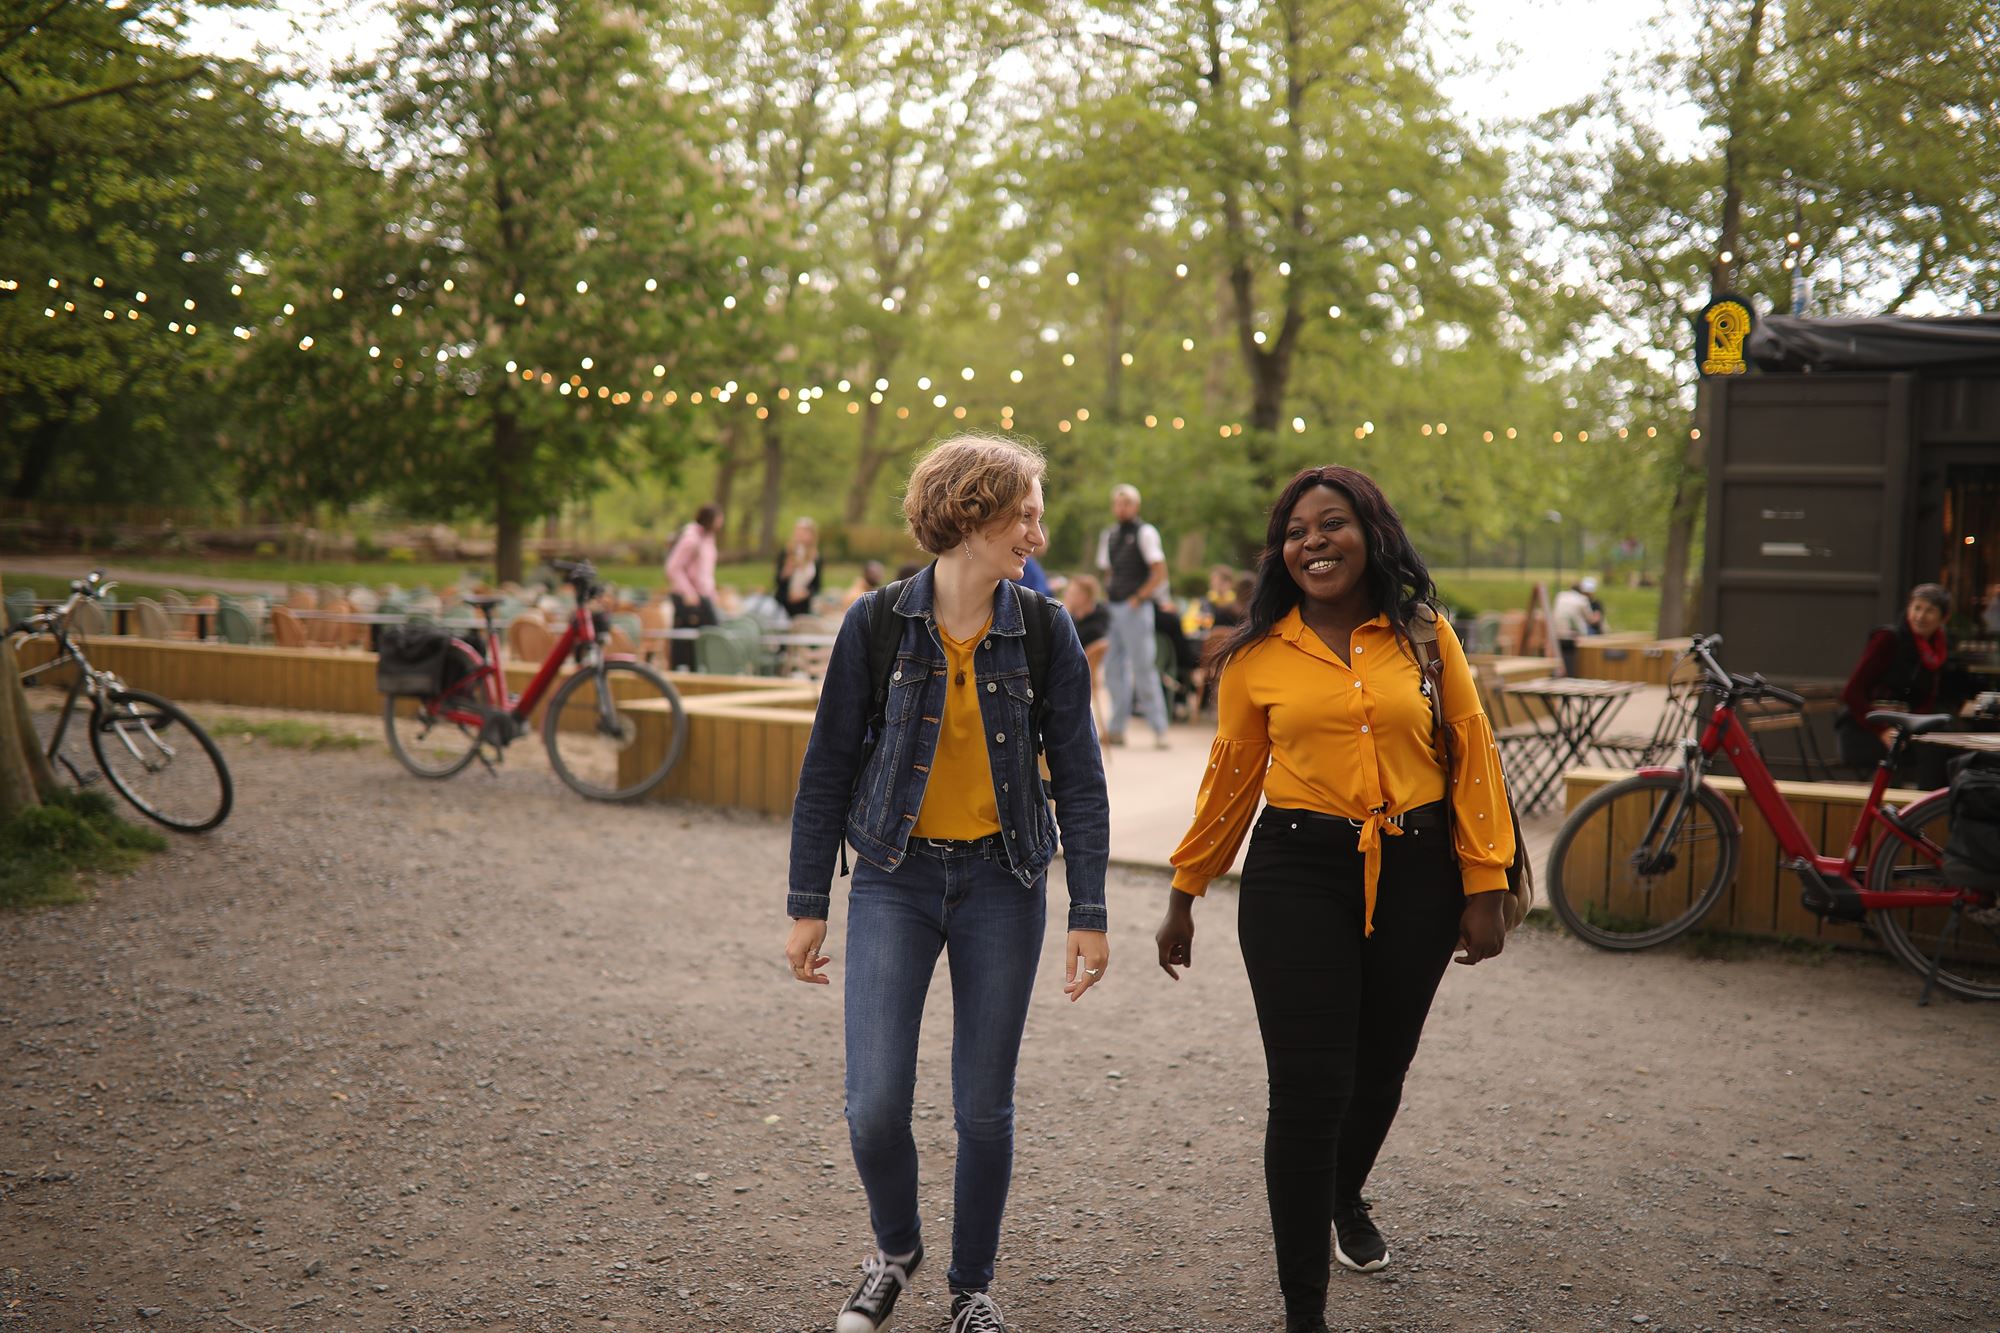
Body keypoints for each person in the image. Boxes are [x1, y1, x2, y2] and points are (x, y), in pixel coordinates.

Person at [1154, 465, 1515, 1333]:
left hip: (1420, 869)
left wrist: (1486, 882)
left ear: (1371, 532)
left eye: (1332, 523)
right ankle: (1303, 1313)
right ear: (1281, 554)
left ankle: (1342, 1191)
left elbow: (1471, 750)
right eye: (1296, 530)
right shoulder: (1257, 656)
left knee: (1380, 1071)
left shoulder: (1425, 634)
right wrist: (1186, 887)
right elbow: (1232, 778)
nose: (1313, 541)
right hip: (1296, 873)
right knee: (1309, 1084)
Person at [785, 434, 1111, 1333]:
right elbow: (826, 770)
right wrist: (808, 901)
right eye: (1026, 513)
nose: (1038, 532)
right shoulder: (876, 622)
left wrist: (1090, 910)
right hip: (893, 877)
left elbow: (1080, 778)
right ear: (971, 511)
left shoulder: (1044, 632)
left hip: (1005, 883)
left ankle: (971, 1287)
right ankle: (894, 1252)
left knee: (983, 1107)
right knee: (875, 1102)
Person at [1837, 582, 1954, 788]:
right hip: (1866, 730)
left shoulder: (1935, 651)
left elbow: (1927, 699)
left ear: (1943, 618)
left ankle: (1927, 810)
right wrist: (1881, 730)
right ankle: (1919, 809)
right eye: (1917, 608)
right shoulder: (1888, 639)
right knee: (1930, 753)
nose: (1920, 616)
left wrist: (1911, 727)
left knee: (1943, 747)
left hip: (1902, 728)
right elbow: (1852, 693)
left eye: (1930, 611)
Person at [1095, 483, 1172, 748]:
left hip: (1135, 608)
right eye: (1117, 502)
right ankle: (1116, 728)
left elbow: (1159, 571)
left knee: (1143, 668)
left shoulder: (1145, 532)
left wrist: (1139, 598)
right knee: (1113, 669)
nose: (1121, 507)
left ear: (1135, 506)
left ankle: (1159, 729)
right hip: (1114, 608)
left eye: (1126, 502)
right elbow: (1109, 571)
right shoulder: (1110, 535)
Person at [664, 504, 724, 670]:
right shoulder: (691, 539)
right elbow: (673, 567)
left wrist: (711, 592)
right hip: (689, 599)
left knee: (708, 639)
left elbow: (705, 571)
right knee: (686, 644)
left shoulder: (708, 539)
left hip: (703, 597)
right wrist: (688, 592)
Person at [1550, 576, 1601, 676]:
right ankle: (1587, 670)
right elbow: (1591, 620)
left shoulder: (1560, 596)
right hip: (1574, 636)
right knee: (1594, 634)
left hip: (1556, 633)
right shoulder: (1582, 600)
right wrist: (1598, 617)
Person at [775, 516, 823, 618]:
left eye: (805, 532)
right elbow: (777, 580)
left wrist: (806, 593)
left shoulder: (816, 557)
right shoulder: (787, 553)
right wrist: (786, 572)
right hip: (784, 602)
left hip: (804, 603)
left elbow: (817, 585)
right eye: (798, 531)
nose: (800, 535)